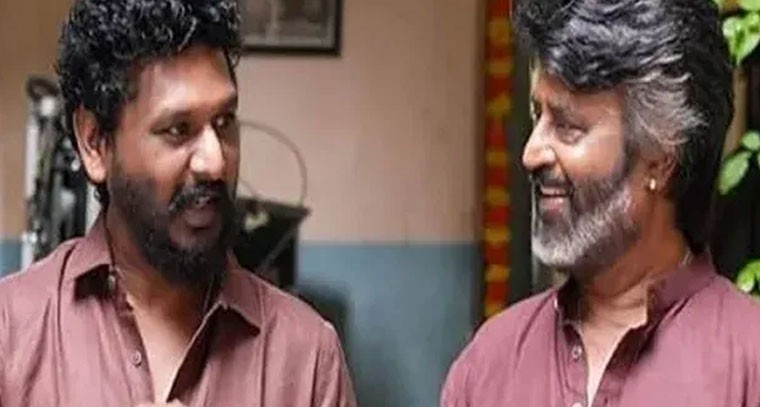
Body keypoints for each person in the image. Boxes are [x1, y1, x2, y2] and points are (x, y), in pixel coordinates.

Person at [0, 1, 356, 406]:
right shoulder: (11, 335)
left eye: (224, 122)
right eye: (178, 129)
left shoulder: (307, 360)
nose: (215, 162)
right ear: (95, 141)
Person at [441, 0, 760, 406]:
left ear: (661, 157)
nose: (531, 153)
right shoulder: (488, 366)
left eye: (567, 126)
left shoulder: (748, 367)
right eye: (537, 116)